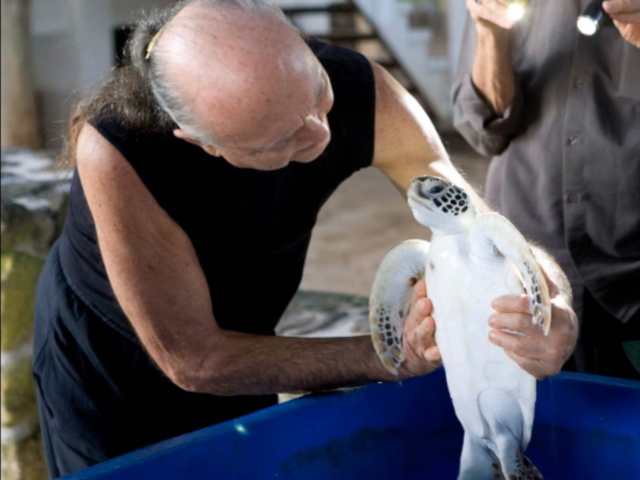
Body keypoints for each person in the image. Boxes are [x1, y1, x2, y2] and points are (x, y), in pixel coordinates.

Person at [33, 0, 577, 476]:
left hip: (248, 328)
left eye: (317, 94)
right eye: (282, 138)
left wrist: (551, 299)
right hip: (114, 369)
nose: (319, 132)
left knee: (250, 456)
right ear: (203, 143)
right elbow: (195, 361)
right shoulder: (119, 151)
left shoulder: (355, 86)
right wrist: (391, 358)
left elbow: (471, 217)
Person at [452, 0, 640, 380]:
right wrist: (490, 32)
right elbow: (484, 130)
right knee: (529, 428)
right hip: (525, 262)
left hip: (630, 273)